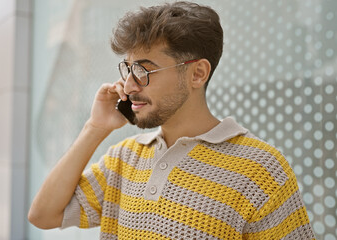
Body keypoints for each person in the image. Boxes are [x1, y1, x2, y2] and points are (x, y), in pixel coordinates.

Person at [28, 2, 315, 239]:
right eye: (127, 69)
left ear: (198, 74)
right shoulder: (124, 159)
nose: (128, 86)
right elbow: (43, 216)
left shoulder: (261, 170)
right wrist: (95, 128)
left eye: (144, 70)